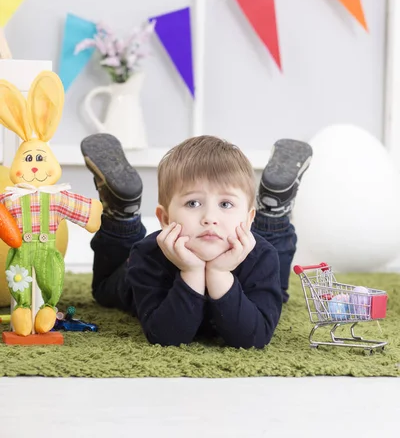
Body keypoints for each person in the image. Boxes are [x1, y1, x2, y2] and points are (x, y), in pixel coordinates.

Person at [81, 134, 312, 349]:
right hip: (139, 272)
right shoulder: (147, 256)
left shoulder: (262, 256)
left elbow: (254, 338)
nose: (210, 218)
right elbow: (165, 337)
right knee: (105, 290)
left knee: (275, 291)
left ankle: (273, 211)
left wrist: (220, 274)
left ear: (250, 216)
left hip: (253, 247)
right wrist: (191, 272)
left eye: (226, 204)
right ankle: (123, 214)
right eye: (193, 203)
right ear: (165, 218)